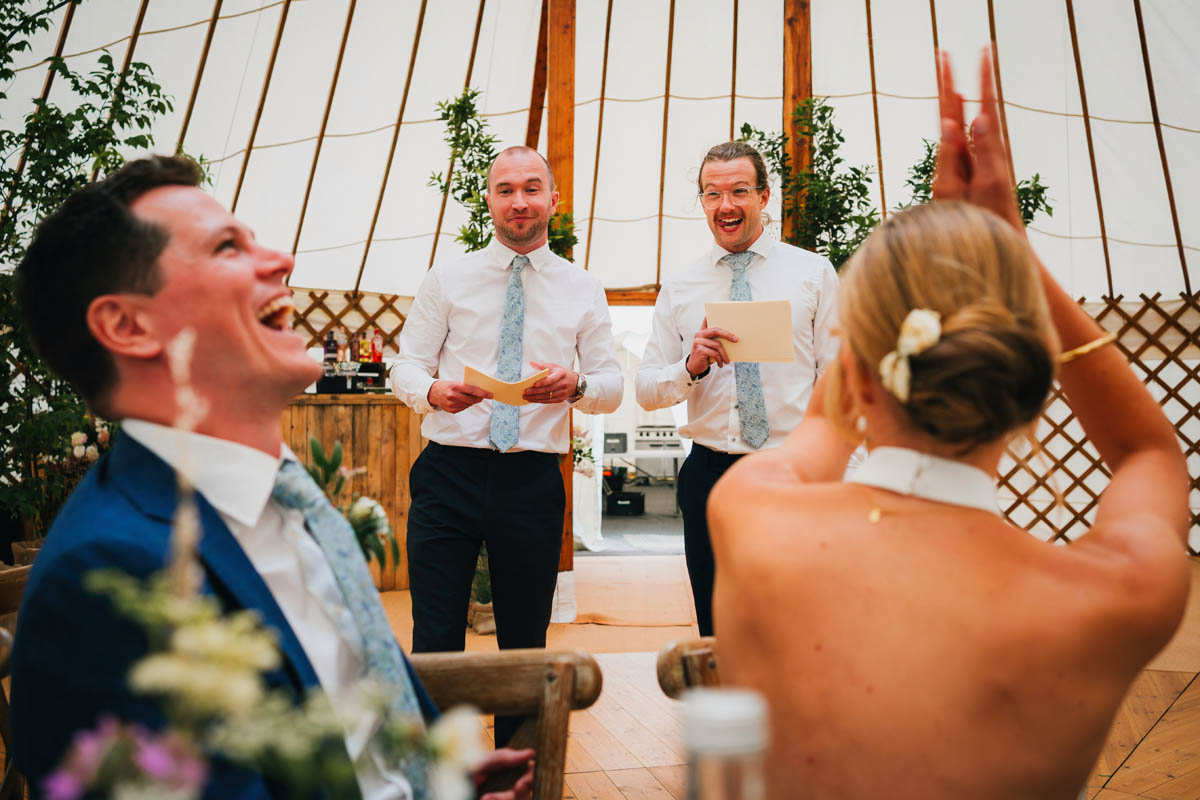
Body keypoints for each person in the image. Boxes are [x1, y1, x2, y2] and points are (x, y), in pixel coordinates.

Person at [708, 51, 1191, 800]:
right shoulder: (1114, 595)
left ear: (862, 374)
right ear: (1032, 388)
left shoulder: (752, 512)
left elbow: (822, 425)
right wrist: (1009, 248)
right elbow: (1147, 451)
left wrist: (928, 258)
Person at [11, 156, 535, 799]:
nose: (281, 260)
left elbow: (344, 684)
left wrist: (433, 777)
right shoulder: (109, 581)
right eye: (227, 247)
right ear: (129, 325)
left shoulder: (284, 493)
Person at [388, 146, 621, 740]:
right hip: (448, 472)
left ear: (552, 200)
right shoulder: (448, 278)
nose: (519, 201)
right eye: (506, 189)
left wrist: (579, 385)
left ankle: (518, 767)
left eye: (532, 188)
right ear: (489, 199)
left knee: (526, 638)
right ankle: (437, 764)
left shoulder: (583, 287)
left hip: (531, 480)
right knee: (435, 632)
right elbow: (405, 365)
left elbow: (612, 384)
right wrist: (433, 391)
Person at [635, 141, 839, 636]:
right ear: (702, 203)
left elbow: (837, 386)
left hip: (791, 472)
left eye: (739, 191)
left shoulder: (813, 274)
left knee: (794, 625)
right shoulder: (680, 286)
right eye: (712, 194)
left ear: (764, 197)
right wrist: (691, 365)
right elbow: (646, 389)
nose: (726, 205)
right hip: (710, 474)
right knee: (716, 627)